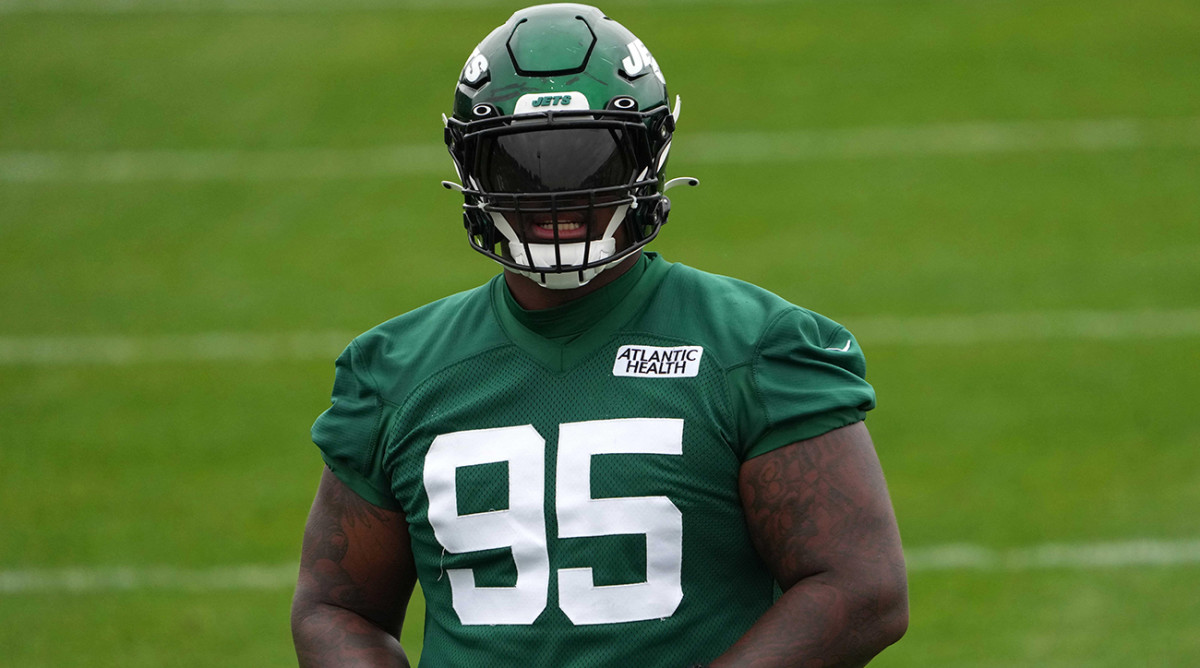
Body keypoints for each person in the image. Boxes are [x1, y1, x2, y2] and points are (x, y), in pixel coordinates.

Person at [291, 4, 908, 667]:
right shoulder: (396, 370)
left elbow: (862, 587)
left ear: (649, 156)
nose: (557, 196)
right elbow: (336, 608)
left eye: (590, 160)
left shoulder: (755, 349)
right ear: (470, 170)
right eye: (519, 164)